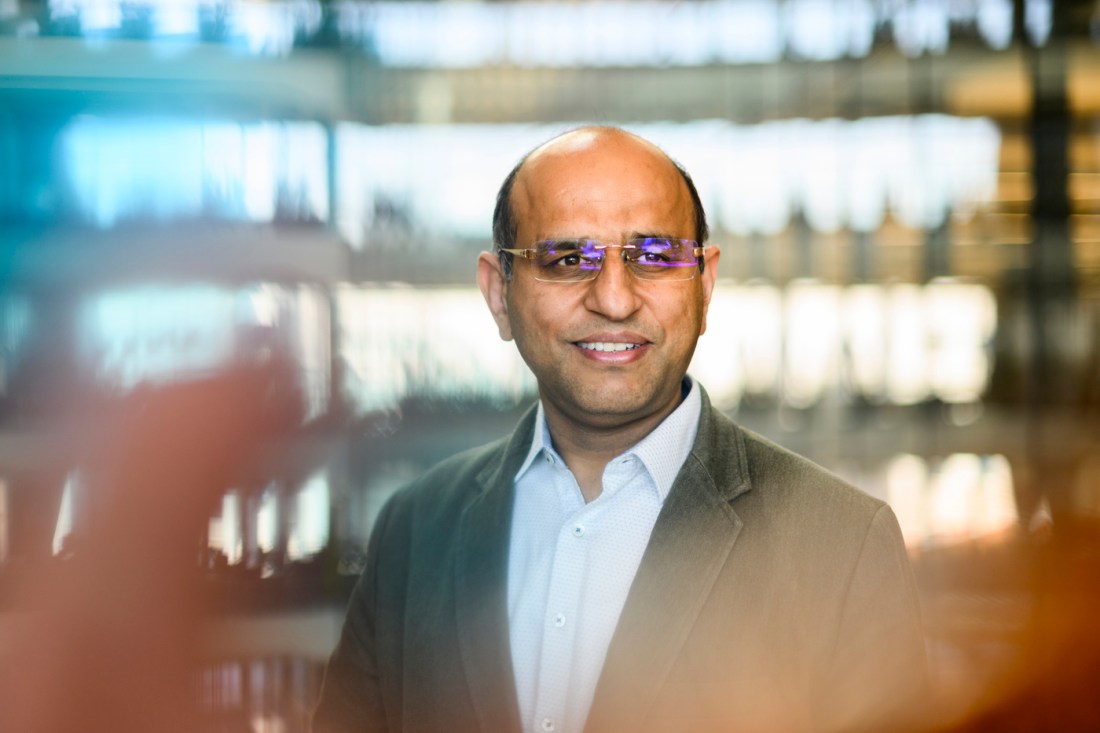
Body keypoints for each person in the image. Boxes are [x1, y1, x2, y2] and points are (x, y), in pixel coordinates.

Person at [312, 127, 929, 733]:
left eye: (654, 258)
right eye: (567, 259)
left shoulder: (843, 546)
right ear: (499, 295)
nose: (614, 299)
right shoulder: (414, 531)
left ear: (705, 286)